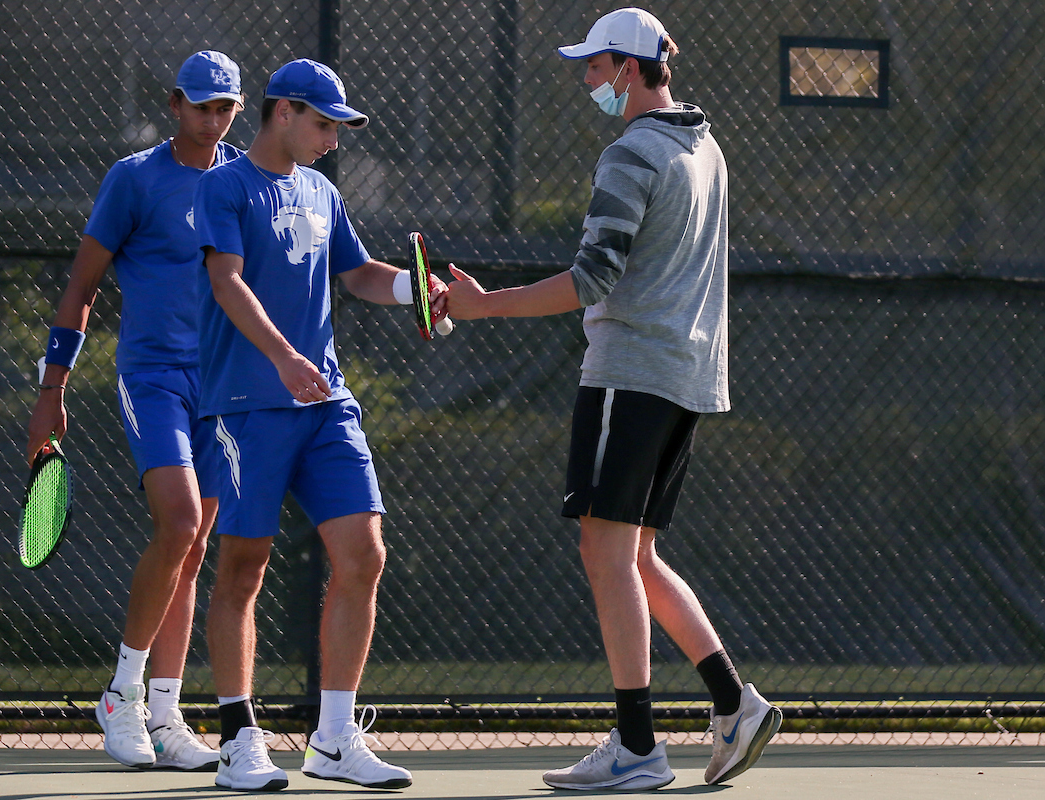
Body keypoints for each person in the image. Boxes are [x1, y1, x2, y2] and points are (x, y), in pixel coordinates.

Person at [446, 8, 782, 790]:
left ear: (629, 69)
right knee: (635, 554)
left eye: (595, 66)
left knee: (604, 553)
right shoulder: (708, 148)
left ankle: (637, 746)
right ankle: (736, 704)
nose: (587, 80)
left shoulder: (631, 153)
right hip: (687, 381)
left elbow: (590, 279)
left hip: (630, 374)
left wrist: (482, 304)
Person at [192, 58, 438, 792]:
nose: (334, 138)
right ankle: (239, 738)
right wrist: (283, 357)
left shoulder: (323, 192)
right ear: (285, 112)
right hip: (247, 405)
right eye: (325, 123)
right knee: (244, 564)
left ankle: (332, 740)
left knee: (363, 554)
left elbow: (359, 273)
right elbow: (224, 279)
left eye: (338, 127)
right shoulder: (224, 186)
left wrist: (413, 288)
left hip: (325, 405)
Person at [26, 50, 245, 771]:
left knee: (196, 547)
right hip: (153, 377)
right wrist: (51, 391)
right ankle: (122, 695)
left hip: (224, 385)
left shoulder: (247, 180)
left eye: (226, 108)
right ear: (175, 105)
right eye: (201, 106)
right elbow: (82, 287)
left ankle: (168, 712)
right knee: (179, 523)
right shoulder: (134, 179)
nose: (213, 120)